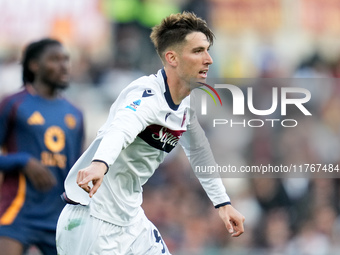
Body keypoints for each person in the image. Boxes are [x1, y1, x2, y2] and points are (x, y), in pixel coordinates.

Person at [56, 12, 245, 255]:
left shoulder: (186, 106)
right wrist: (100, 164)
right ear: (172, 57)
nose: (208, 59)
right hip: (92, 219)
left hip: (131, 221)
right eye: (198, 51)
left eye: (207, 50)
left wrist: (223, 204)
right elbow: (122, 128)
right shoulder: (146, 95)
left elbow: (200, 154)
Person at [0, 38, 84, 255]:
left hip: (59, 216)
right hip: (17, 211)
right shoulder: (14, 104)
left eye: (66, 59)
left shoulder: (75, 113)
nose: (63, 65)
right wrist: (23, 160)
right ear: (34, 65)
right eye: (55, 59)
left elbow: (76, 169)